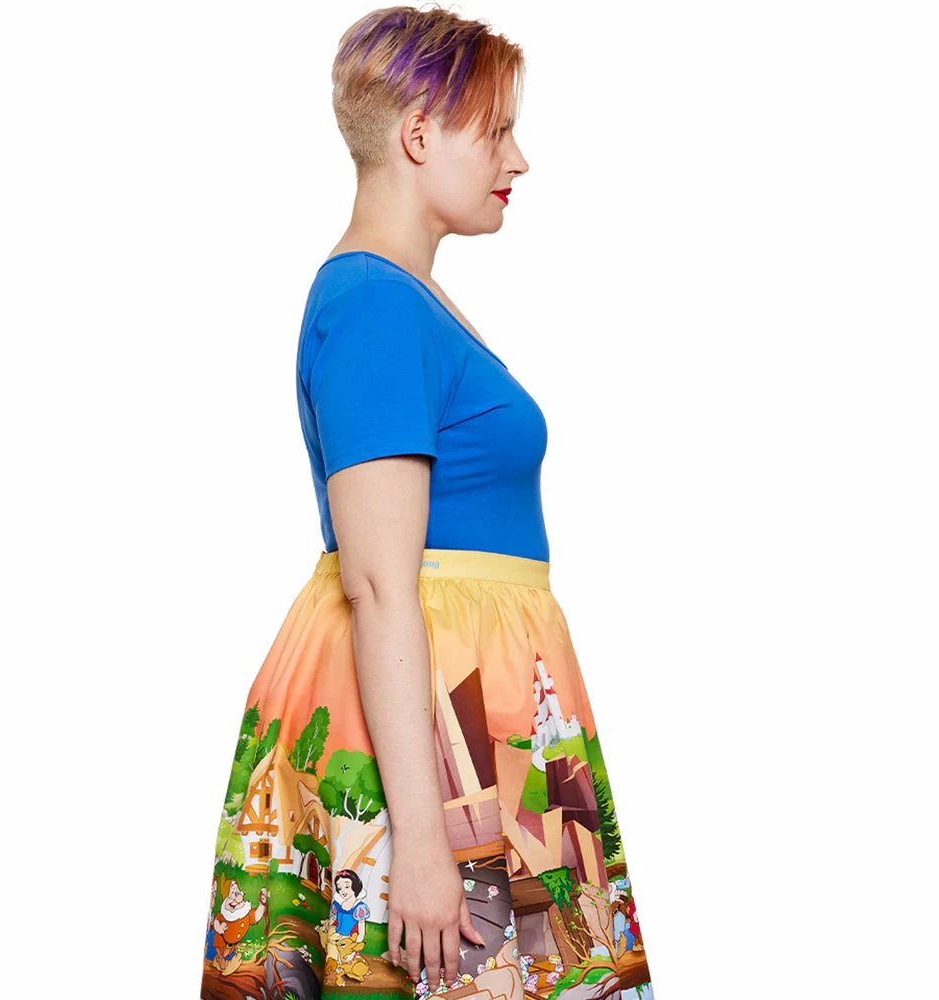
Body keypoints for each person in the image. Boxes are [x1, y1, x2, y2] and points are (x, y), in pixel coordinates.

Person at [200, 6, 656, 1000]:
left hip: (473, 701)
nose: (518, 159)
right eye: (496, 130)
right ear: (417, 134)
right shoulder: (374, 303)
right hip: (436, 724)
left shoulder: (403, 296)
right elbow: (376, 580)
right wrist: (418, 839)